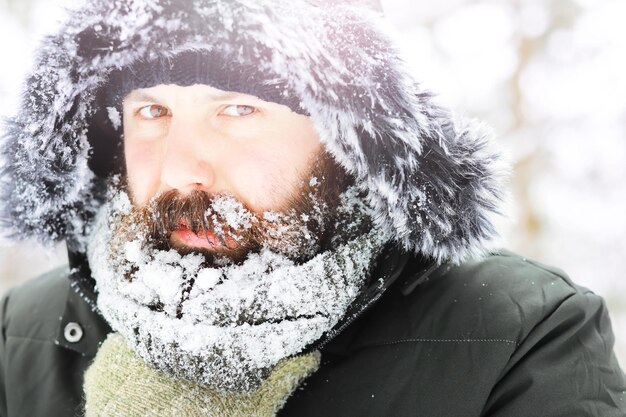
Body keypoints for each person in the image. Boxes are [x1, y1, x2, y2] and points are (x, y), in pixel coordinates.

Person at [0, 0, 624, 416]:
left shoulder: (518, 336)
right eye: (152, 112)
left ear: (344, 139)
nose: (178, 169)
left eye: (237, 109)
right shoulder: (23, 331)